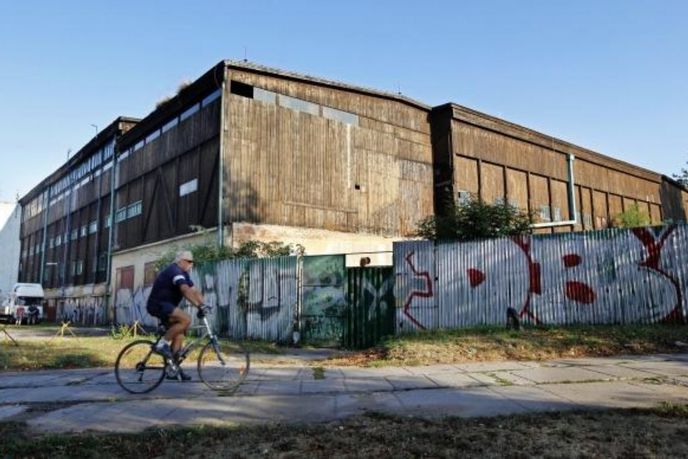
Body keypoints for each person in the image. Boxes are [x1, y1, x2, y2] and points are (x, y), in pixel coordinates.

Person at [146, 250, 205, 381]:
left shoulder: (184, 274)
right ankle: (162, 344)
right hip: (158, 305)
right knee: (186, 319)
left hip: (167, 306)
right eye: (189, 262)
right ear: (181, 261)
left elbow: (194, 291)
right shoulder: (175, 271)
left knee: (179, 335)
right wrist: (198, 306)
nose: (191, 264)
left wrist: (204, 304)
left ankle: (173, 369)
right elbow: (184, 290)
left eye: (192, 262)